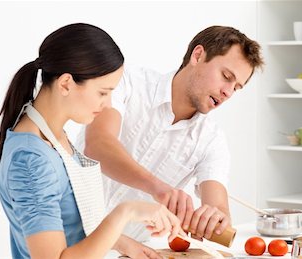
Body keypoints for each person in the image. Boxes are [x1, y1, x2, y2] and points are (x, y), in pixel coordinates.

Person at [0, 23, 181, 259]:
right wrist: (126, 211)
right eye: (103, 92)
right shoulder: (31, 160)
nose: (108, 104)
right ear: (65, 84)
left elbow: (73, 226)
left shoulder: (52, 137)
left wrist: (123, 243)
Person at [78, 25, 264, 242]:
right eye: (226, 76)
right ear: (197, 55)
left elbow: (218, 208)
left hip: (130, 253)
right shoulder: (127, 82)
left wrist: (216, 218)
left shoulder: (211, 140)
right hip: (63, 239)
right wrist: (159, 189)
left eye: (237, 87)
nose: (228, 92)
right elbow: (98, 145)